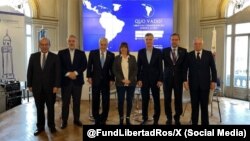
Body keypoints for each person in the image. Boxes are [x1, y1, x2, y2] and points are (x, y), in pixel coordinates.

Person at [27, 37, 60, 135]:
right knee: (39, 109)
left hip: (51, 88)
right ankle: (40, 127)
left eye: (46, 44)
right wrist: (29, 84)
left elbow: (58, 73)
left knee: (50, 108)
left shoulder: (55, 57)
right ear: (39, 45)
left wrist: (56, 86)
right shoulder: (33, 56)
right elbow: (30, 71)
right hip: (37, 88)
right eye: (42, 44)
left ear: (49, 45)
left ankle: (51, 126)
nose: (44, 46)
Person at [184, 37, 217, 125]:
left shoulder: (208, 54)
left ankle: (205, 123)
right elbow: (185, 69)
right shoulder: (189, 55)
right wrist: (185, 81)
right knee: (194, 107)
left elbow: (213, 69)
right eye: (195, 43)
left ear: (202, 44)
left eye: (199, 43)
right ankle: (194, 123)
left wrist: (213, 81)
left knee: (204, 107)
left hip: (205, 85)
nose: (197, 45)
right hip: (193, 85)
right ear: (193, 44)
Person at [58, 35, 87, 129]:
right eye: (70, 41)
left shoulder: (81, 53)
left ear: (76, 42)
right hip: (65, 82)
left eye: (73, 41)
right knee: (65, 102)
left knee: (77, 102)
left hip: (77, 82)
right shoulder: (61, 53)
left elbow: (84, 65)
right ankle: (64, 121)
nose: (71, 43)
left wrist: (75, 73)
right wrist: (68, 73)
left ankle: (76, 119)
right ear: (67, 42)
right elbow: (59, 66)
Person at [87, 37, 115, 125]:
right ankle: (96, 118)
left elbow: (112, 69)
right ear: (99, 44)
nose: (103, 46)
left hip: (106, 81)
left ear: (107, 45)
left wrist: (112, 79)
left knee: (106, 100)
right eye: (101, 44)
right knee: (95, 100)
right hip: (95, 80)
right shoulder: (93, 53)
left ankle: (104, 118)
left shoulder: (111, 55)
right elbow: (89, 66)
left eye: (105, 45)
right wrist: (89, 77)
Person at [137, 33, 163, 125]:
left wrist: (160, 80)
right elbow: (138, 67)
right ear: (144, 40)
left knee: (156, 100)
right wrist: (139, 79)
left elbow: (160, 67)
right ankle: (145, 118)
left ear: (153, 40)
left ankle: (156, 119)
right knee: (145, 99)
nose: (148, 41)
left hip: (156, 80)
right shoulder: (140, 52)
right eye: (147, 39)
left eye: (150, 39)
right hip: (144, 80)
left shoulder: (158, 52)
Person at [162, 33, 187, 125]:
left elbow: (185, 67)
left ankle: (177, 118)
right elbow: (159, 65)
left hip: (178, 79)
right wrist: (160, 78)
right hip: (167, 79)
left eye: (176, 39)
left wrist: (185, 80)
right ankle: (169, 117)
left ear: (179, 41)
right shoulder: (164, 51)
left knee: (178, 99)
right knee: (167, 99)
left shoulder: (184, 51)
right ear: (170, 40)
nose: (174, 41)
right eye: (172, 39)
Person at [112, 42, 137, 125]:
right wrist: (122, 80)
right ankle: (121, 118)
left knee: (129, 101)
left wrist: (130, 79)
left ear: (127, 48)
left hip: (131, 83)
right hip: (120, 84)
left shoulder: (132, 58)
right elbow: (115, 71)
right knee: (121, 101)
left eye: (125, 47)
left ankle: (128, 118)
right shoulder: (116, 58)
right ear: (120, 49)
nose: (123, 49)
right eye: (122, 47)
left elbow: (135, 70)